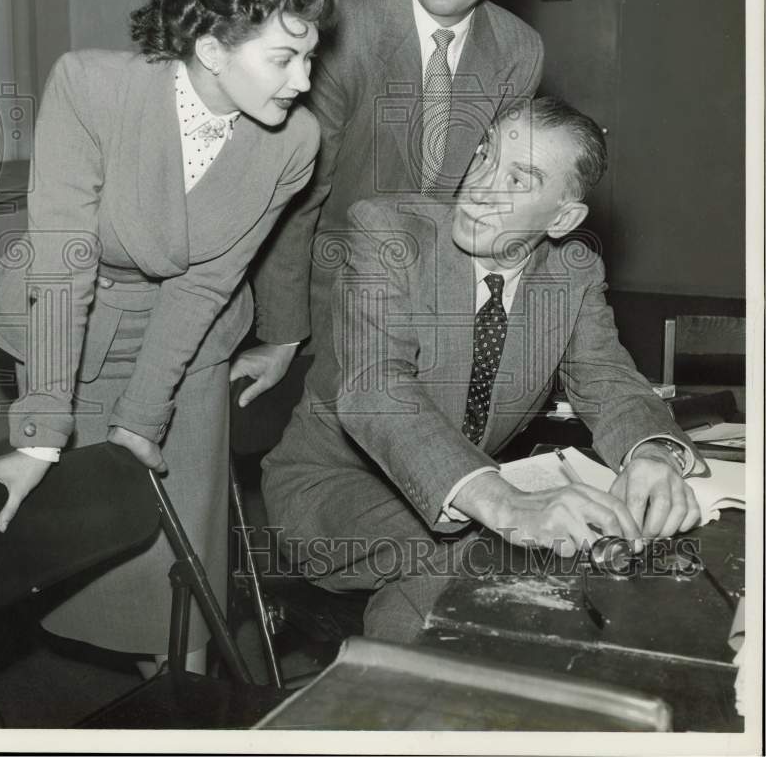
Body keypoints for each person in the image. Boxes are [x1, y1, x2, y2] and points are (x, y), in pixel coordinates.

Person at [0, 0, 336, 672]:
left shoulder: (293, 141)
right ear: (211, 48)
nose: (304, 80)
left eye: (311, 56)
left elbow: (204, 283)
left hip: (187, 339)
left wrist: (144, 418)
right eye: (283, 58)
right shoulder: (91, 86)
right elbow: (65, 258)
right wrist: (42, 431)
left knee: (182, 565)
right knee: (77, 537)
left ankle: (185, 700)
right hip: (69, 320)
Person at [261, 96, 703, 643]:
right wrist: (506, 502)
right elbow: (378, 390)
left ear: (563, 219)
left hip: (462, 489)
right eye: (485, 157)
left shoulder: (573, 269)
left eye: (520, 180)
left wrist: (651, 452)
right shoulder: (388, 234)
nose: (481, 188)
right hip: (335, 489)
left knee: (538, 556)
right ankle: (388, 705)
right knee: (482, 553)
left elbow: (608, 379)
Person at [233, 0, 544, 407]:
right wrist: (282, 335)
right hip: (333, 304)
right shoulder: (338, 31)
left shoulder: (520, 49)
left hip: (444, 314)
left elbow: (495, 202)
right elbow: (296, 198)